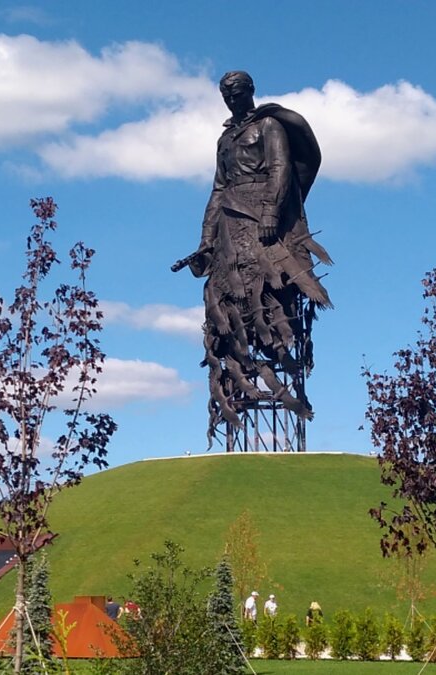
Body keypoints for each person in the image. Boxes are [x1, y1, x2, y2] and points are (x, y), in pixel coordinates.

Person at [183, 70, 332, 445]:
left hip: (264, 219)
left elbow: (282, 169)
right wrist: (205, 239)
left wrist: (269, 212)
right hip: (231, 227)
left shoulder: (269, 126)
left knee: (270, 295)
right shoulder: (225, 139)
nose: (230, 99)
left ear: (249, 92)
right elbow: (218, 188)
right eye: (225, 94)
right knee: (231, 307)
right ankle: (240, 379)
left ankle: (282, 361)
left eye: (235, 93)